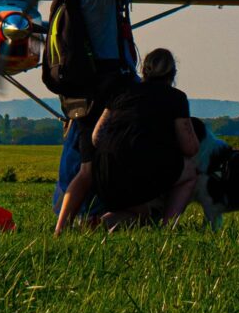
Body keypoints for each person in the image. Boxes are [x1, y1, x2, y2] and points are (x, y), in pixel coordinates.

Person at [54, 0, 138, 229]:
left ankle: (63, 219)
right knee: (111, 152)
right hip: (108, 88)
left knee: (81, 155)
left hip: (79, 91)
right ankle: (106, 211)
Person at [56, 48, 199, 233]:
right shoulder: (177, 98)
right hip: (141, 176)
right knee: (189, 172)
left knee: (142, 215)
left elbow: (97, 137)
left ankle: (96, 224)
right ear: (172, 74)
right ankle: (167, 227)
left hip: (105, 176)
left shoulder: (122, 92)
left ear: (144, 71)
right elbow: (189, 148)